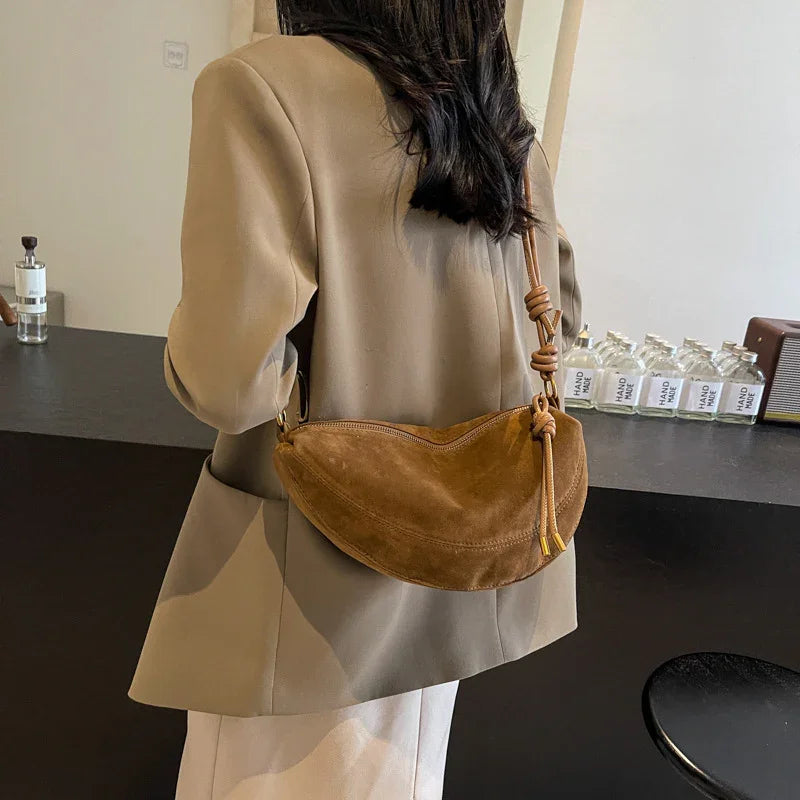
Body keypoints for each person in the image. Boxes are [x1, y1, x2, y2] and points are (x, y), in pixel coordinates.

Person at [129, 2, 582, 797]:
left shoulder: (261, 86)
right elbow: (562, 321)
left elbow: (228, 382)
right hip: (456, 586)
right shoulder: (500, 122)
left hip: (308, 597)